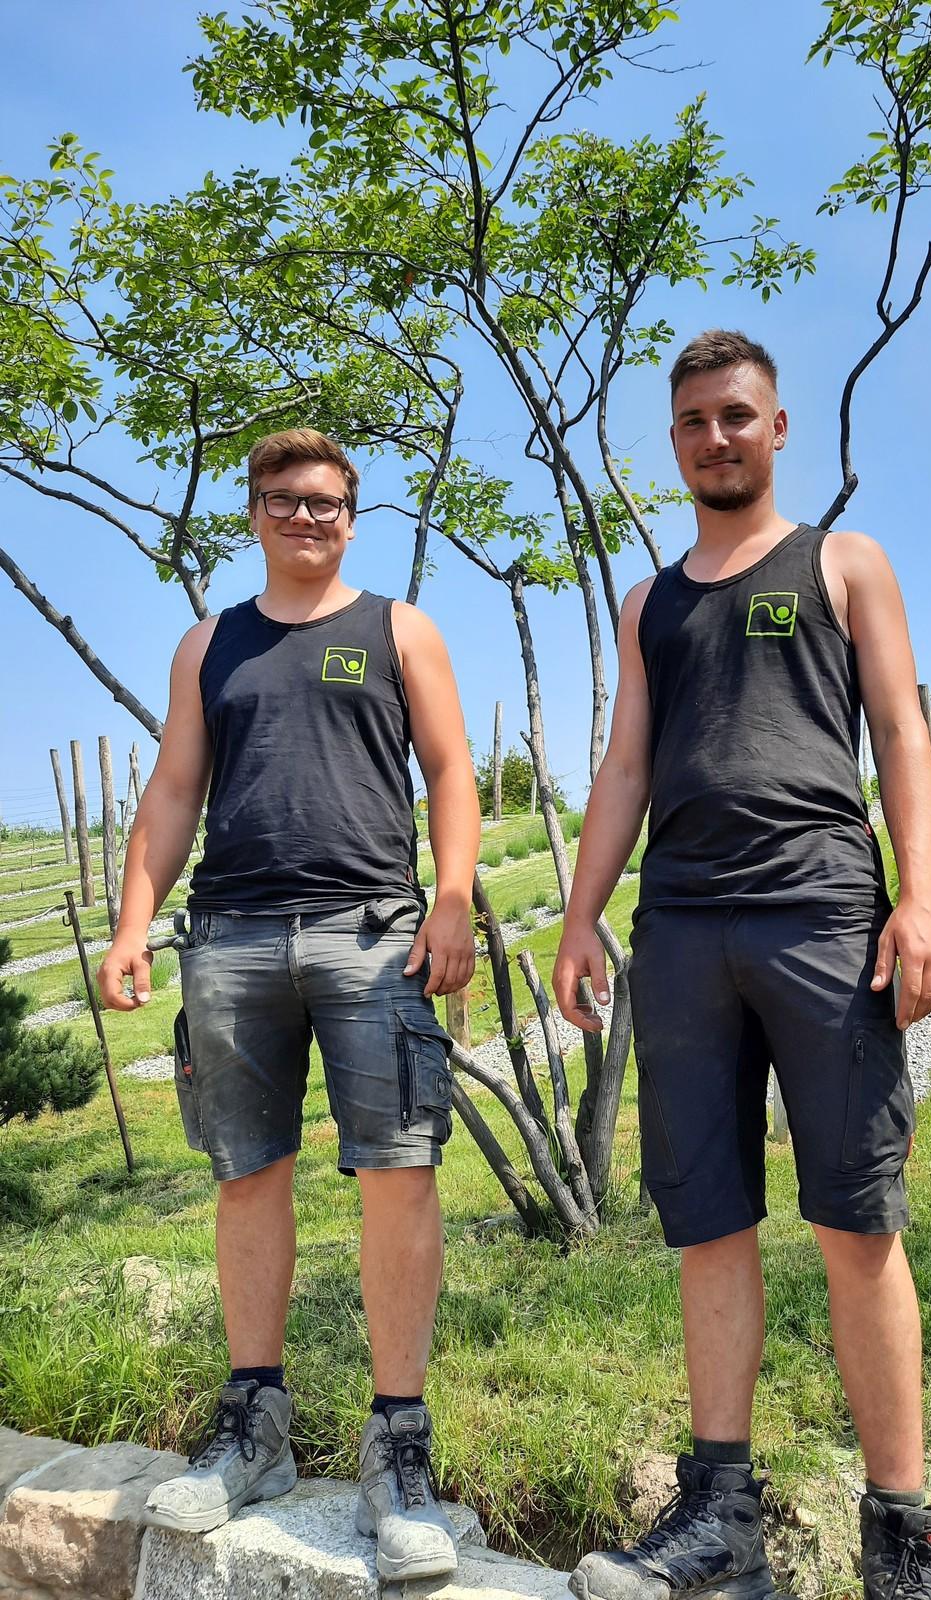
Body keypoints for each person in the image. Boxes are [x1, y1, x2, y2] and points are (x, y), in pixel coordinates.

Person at [553, 332, 931, 1600]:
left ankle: (903, 1540)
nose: (715, 438)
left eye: (737, 416)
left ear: (777, 429)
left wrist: (925, 896)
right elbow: (625, 770)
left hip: (823, 919)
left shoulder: (843, 563)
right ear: (672, 443)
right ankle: (723, 1520)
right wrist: (580, 918)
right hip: (682, 932)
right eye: (692, 423)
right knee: (709, 1227)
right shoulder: (649, 603)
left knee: (858, 1221)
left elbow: (899, 729)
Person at [98, 428, 479, 1583]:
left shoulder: (401, 629)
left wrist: (453, 894)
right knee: (245, 1172)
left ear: (352, 517)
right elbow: (174, 788)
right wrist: (130, 919)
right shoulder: (209, 644)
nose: (306, 518)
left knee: (399, 1174)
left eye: (326, 502)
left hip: (374, 937)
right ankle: (253, 1428)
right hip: (233, 939)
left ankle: (397, 1452)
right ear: (254, 513)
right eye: (285, 500)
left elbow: (453, 772)